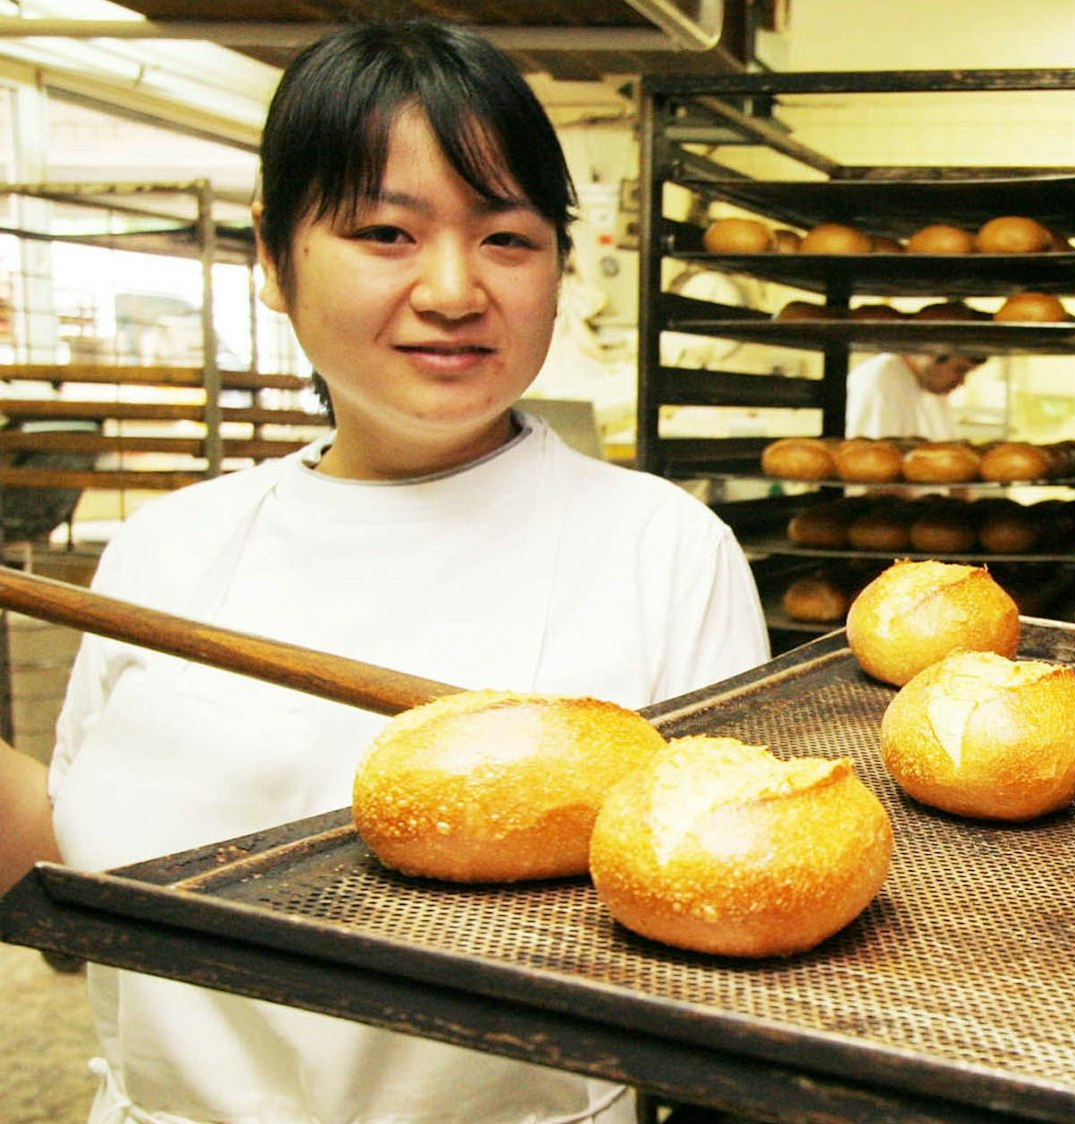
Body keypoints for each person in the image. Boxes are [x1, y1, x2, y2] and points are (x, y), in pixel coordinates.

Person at [2, 19, 768, 1124]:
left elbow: (722, 930)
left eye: (506, 236)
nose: (454, 289)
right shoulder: (167, 547)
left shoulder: (659, 547)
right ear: (273, 255)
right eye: (383, 232)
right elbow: (62, 880)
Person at [844, 350, 986, 440]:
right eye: (959, 370)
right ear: (932, 355)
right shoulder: (882, 376)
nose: (961, 382)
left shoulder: (934, 389)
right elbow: (875, 465)